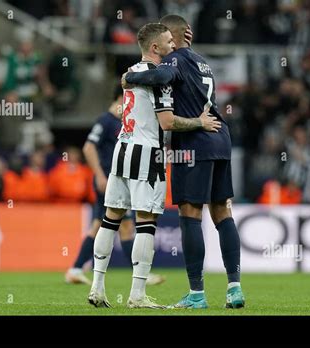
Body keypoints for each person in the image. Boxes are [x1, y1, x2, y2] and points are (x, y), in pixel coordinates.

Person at [88, 23, 220, 309]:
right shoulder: (160, 80)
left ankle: (97, 288)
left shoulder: (132, 73)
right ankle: (137, 294)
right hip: (147, 154)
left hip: (122, 150)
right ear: (155, 48)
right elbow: (168, 123)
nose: (173, 46)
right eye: (169, 42)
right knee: (146, 224)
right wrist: (200, 122)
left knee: (110, 219)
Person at [122, 15, 245, 309]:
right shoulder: (202, 62)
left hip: (195, 145)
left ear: (171, 39)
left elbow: (161, 77)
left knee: (189, 214)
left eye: (165, 38)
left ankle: (197, 294)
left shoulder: (173, 60)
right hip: (221, 140)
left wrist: (129, 77)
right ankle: (234, 288)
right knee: (222, 213)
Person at [65, 87, 165, 286]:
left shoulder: (120, 122)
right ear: (120, 98)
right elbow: (88, 147)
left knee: (112, 226)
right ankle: (139, 275)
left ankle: (77, 269)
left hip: (117, 180)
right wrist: (100, 175)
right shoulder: (106, 121)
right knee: (115, 226)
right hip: (108, 180)